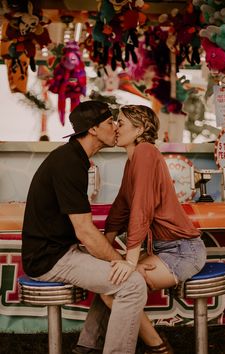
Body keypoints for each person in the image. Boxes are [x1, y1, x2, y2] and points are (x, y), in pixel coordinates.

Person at [76, 105, 207, 354]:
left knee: (117, 285)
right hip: (166, 250)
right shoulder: (133, 159)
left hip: (183, 252)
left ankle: (158, 347)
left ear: (140, 129)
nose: (115, 127)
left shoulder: (146, 152)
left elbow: (141, 209)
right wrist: (106, 242)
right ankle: (87, 345)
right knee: (109, 278)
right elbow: (122, 207)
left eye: (121, 123)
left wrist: (130, 260)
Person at [21, 100, 148, 354]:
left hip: (58, 251)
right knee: (131, 282)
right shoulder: (68, 163)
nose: (115, 127)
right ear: (93, 129)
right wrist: (121, 262)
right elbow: (86, 232)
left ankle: (87, 346)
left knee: (115, 271)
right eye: (110, 122)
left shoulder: (73, 158)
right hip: (50, 258)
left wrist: (118, 261)